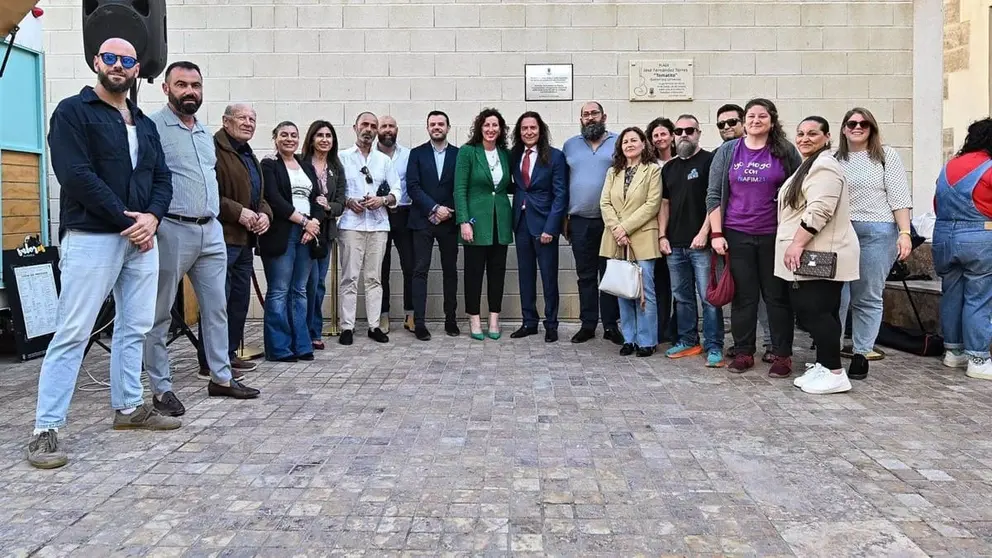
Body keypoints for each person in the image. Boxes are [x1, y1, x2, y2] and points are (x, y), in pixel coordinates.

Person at [28, 38, 178, 469]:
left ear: (136, 69)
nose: (118, 65)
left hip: (141, 240)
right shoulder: (72, 112)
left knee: (136, 327)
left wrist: (152, 218)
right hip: (94, 236)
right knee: (73, 332)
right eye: (110, 58)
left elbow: (162, 179)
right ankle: (45, 428)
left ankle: (129, 407)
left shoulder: (145, 124)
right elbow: (75, 175)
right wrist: (127, 220)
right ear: (96, 62)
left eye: (127, 60)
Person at [144, 61, 260, 418]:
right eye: (181, 84)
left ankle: (221, 377)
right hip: (172, 229)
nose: (190, 91)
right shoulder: (152, 128)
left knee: (217, 307)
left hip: (211, 231)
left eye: (195, 85)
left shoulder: (203, 132)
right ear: (166, 89)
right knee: (159, 312)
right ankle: (161, 388)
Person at [707, 98, 802, 377]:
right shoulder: (728, 152)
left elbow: (799, 192)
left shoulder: (784, 151)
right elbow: (713, 195)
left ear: (772, 121)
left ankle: (782, 355)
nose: (755, 120)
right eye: (751, 115)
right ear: (745, 120)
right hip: (737, 233)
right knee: (744, 298)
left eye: (762, 116)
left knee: (777, 297)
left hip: (774, 234)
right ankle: (744, 351)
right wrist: (716, 233)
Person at [776, 117, 860, 395]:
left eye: (813, 133)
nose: (804, 138)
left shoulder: (824, 166)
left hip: (818, 252)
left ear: (827, 137)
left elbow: (820, 209)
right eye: (800, 133)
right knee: (822, 311)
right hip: (814, 251)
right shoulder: (809, 165)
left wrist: (797, 244)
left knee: (815, 311)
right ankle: (825, 365)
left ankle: (835, 373)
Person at [834, 107, 913, 378]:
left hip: (878, 232)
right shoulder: (834, 158)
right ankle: (831, 352)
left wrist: (905, 233)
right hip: (842, 232)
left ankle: (861, 352)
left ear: (872, 128)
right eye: (852, 123)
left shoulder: (885, 156)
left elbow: (899, 198)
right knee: (837, 295)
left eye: (864, 124)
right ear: (843, 128)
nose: (857, 127)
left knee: (867, 294)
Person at [657, 114, 724, 367]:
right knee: (682, 296)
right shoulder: (669, 168)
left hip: (701, 246)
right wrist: (662, 235)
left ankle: (714, 345)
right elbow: (665, 204)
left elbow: (715, 200)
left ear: (698, 133)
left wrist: (705, 232)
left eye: (690, 130)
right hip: (674, 245)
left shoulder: (709, 161)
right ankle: (688, 341)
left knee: (708, 297)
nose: (684, 134)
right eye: (679, 130)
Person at [213, 103, 273, 373]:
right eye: (242, 118)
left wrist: (265, 215)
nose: (249, 123)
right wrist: (238, 212)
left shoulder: (249, 155)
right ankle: (211, 361)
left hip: (245, 242)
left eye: (253, 118)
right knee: (218, 303)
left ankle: (228, 353)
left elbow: (260, 196)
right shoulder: (214, 149)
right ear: (226, 122)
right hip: (223, 239)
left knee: (239, 301)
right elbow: (208, 193)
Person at [259, 122, 325, 361]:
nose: (289, 139)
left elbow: (317, 198)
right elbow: (274, 198)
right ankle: (279, 348)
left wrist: (314, 223)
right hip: (282, 233)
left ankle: (301, 344)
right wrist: (303, 221)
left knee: (300, 291)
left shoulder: (306, 166)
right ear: (275, 138)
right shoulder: (269, 165)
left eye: (293, 135)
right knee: (279, 291)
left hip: (307, 235)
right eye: (284, 135)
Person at [932, 117, 992, 380]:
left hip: (943, 235)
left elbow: (936, 204)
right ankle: (978, 358)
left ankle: (953, 353)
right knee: (979, 298)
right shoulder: (989, 168)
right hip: (980, 236)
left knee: (952, 294)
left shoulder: (949, 166)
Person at [337, 112, 402, 345]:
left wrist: (383, 200)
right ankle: (347, 326)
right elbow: (335, 189)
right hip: (351, 225)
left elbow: (397, 190)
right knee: (350, 277)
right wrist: (347, 201)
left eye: (373, 126)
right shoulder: (342, 157)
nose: (369, 129)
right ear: (355, 127)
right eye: (364, 124)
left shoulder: (384, 161)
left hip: (377, 224)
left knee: (374, 277)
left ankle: (374, 325)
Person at [562, 102, 622, 344]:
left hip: (610, 223)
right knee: (585, 275)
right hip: (578, 222)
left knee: (609, 274)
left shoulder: (619, 142)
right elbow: (563, 182)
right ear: (581, 119)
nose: (590, 118)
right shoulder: (570, 145)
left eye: (594, 113)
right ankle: (588, 324)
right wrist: (563, 219)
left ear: (603, 115)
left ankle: (610, 325)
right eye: (585, 115)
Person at [600, 127, 662, 357]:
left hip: (642, 237)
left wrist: (624, 227)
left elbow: (652, 204)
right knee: (623, 290)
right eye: (625, 141)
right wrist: (617, 230)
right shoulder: (612, 172)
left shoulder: (652, 171)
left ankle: (647, 341)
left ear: (644, 143)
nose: (629, 144)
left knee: (645, 290)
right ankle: (630, 339)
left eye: (633, 140)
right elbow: (604, 203)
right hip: (616, 239)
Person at [454, 107, 513, 341]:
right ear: (480, 127)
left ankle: (494, 319)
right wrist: (463, 221)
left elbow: (508, 186)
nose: (491, 129)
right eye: (487, 125)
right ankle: (474, 319)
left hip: (501, 221)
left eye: (495, 125)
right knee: (474, 272)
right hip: (476, 221)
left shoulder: (505, 154)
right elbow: (459, 189)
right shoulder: (468, 152)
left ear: (501, 130)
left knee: (497, 272)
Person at [509, 111, 568, 343]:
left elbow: (561, 194)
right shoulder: (514, 156)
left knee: (548, 277)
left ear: (540, 130)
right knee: (525, 276)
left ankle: (551, 324)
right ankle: (529, 322)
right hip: (521, 223)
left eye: (533, 128)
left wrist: (551, 228)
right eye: (524, 128)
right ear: (519, 132)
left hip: (544, 224)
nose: (529, 132)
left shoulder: (554, 157)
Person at [406, 110, 460, 340]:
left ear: (448, 127)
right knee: (420, 270)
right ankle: (419, 322)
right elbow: (413, 186)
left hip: (449, 220)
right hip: (423, 220)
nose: (436, 127)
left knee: (450, 271)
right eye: (432, 124)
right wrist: (433, 208)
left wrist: (447, 211)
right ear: (427, 128)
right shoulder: (417, 154)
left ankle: (451, 320)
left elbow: (462, 186)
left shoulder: (460, 154)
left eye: (441, 124)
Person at [301, 120, 346, 350]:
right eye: (320, 135)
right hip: (302, 230)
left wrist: (328, 206)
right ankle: (299, 332)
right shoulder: (300, 163)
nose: (325, 139)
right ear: (311, 138)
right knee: (303, 284)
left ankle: (314, 331)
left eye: (329, 135)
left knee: (318, 284)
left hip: (325, 233)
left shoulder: (335, 167)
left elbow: (341, 203)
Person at [376, 116, 415, 333]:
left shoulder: (408, 155)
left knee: (410, 265)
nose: (388, 130)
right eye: (384, 126)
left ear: (397, 130)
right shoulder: (369, 156)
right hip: (378, 214)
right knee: (381, 268)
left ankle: (410, 314)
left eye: (391, 126)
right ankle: (383, 316)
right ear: (378, 131)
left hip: (404, 213)